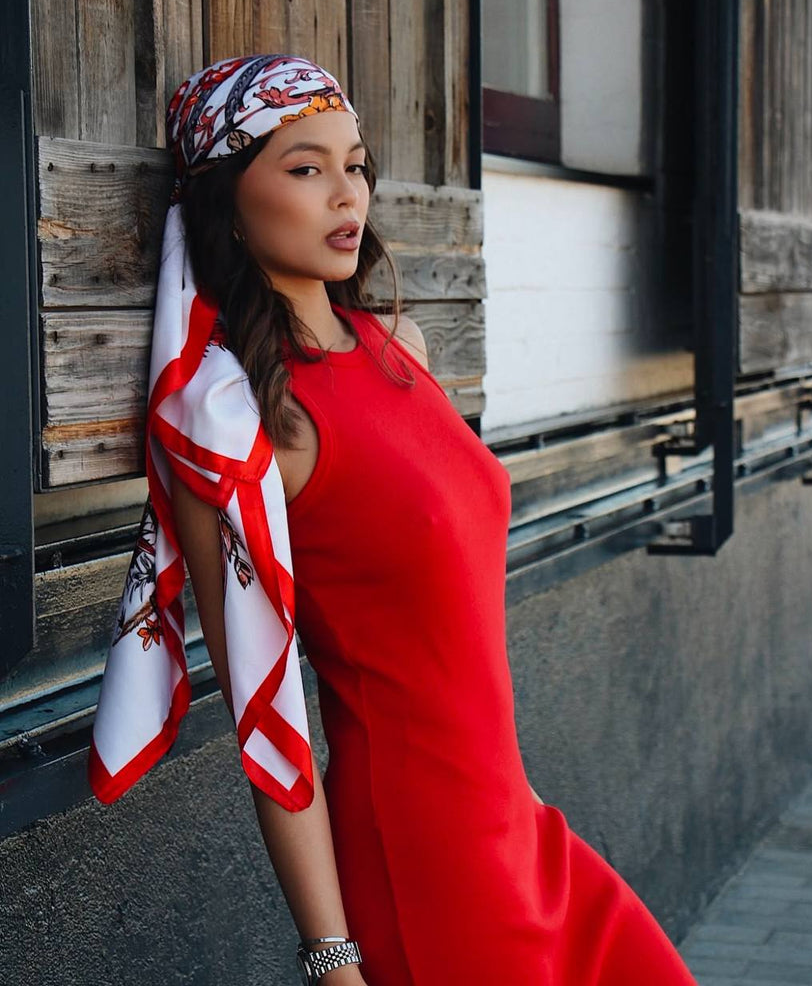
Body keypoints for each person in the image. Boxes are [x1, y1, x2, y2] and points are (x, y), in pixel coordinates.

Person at [90, 55, 698, 985]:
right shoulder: (247, 428)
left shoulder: (398, 346)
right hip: (428, 860)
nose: (348, 194)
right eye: (306, 168)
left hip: (518, 822)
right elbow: (267, 720)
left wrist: (513, 799)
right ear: (228, 204)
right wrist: (333, 959)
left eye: (357, 164)